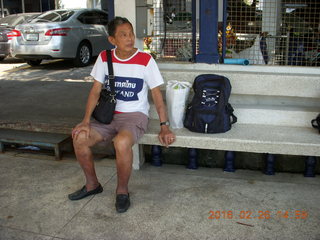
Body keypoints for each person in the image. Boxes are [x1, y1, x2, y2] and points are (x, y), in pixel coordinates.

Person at [68, 16, 176, 213]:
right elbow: (95, 91)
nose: (129, 38)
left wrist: (164, 125)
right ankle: (92, 184)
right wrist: (85, 121)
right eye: (123, 35)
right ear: (112, 40)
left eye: (131, 34)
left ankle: (122, 191)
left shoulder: (145, 60)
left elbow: (157, 96)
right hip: (107, 116)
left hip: (134, 116)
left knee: (122, 142)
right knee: (80, 137)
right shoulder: (104, 58)